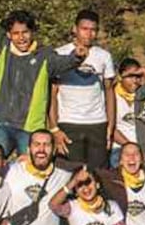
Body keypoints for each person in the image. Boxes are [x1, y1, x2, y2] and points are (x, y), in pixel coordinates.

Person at [0, 0, 86, 157]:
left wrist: (77, 57)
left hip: (29, 126)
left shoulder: (44, 55)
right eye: (16, 33)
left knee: (30, 171)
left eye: (25, 32)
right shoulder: (2, 48)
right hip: (1, 122)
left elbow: (63, 63)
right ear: (9, 35)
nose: (21, 37)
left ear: (32, 32)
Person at [0, 130, 73, 225]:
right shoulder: (10, 170)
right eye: (37, 144)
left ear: (54, 149)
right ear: (28, 149)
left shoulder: (64, 174)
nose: (41, 149)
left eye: (47, 145)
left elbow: (87, 169)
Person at [49, 9, 116, 169]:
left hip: (97, 123)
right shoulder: (60, 53)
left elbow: (109, 92)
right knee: (70, 173)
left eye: (93, 30)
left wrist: (110, 127)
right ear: (75, 29)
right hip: (69, 123)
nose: (89, 34)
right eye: (84, 29)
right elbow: (52, 94)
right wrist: (54, 128)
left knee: (99, 174)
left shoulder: (104, 56)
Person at [109, 58, 145, 169]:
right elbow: (110, 128)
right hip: (120, 146)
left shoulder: (144, 93)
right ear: (120, 76)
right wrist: (133, 150)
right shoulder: (111, 95)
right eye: (130, 76)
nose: (135, 80)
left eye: (138, 76)